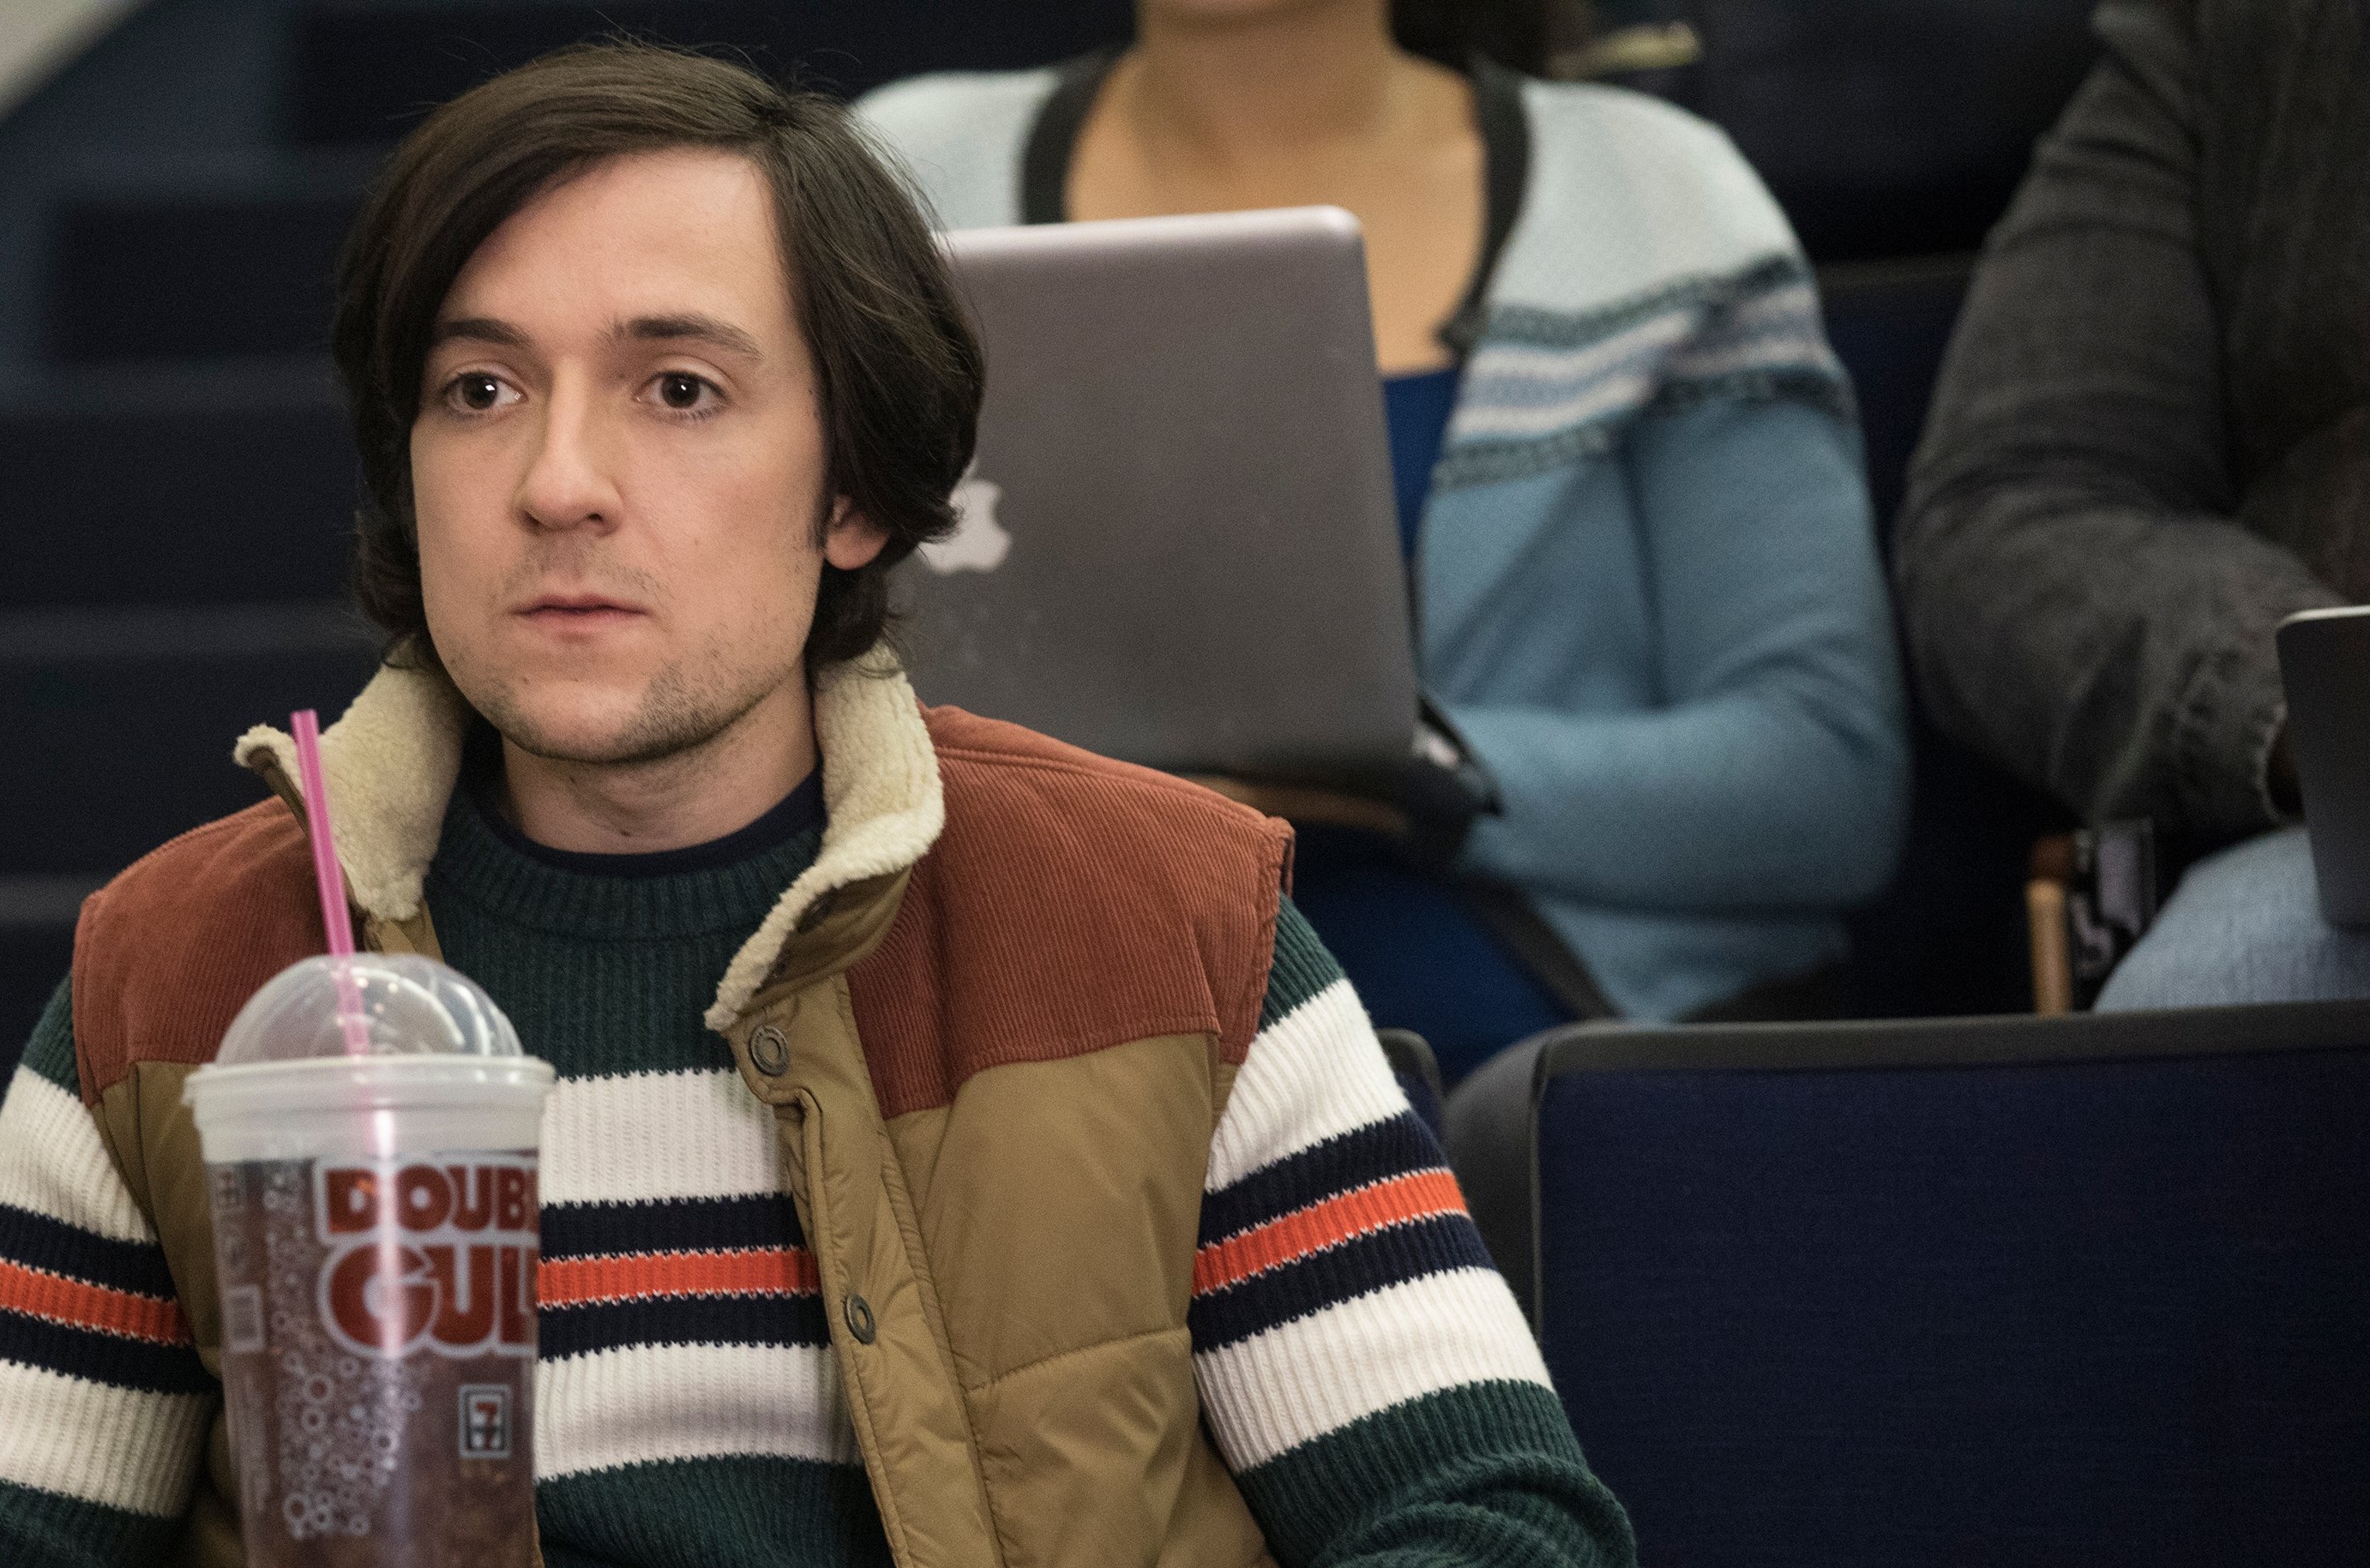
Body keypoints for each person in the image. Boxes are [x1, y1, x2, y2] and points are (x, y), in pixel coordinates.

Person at [0, 46, 1637, 1568]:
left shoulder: (1157, 921)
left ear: (860, 491)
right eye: (478, 390)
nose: (556, 482)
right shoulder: (196, 972)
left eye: (678, 389)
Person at [855, 0, 1910, 1076]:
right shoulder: (895, 174)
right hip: (1016, 1051)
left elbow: (1823, 780)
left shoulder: (1657, 193)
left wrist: (1417, 775)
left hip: (1544, 1069)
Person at [1895, 0, 2370, 1011]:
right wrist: (2303, 706)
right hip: (2322, 848)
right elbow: (2012, 504)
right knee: (2221, 988)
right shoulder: (2249, 34)